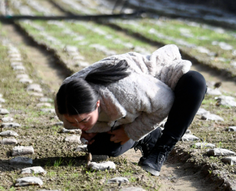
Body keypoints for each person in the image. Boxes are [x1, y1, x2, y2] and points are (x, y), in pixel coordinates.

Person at [55, 44, 206, 176]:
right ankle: (150, 136)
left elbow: (166, 101)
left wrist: (131, 132)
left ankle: (161, 149)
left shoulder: (127, 90)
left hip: (159, 86)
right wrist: (88, 128)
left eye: (84, 120)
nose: (79, 126)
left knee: (195, 82)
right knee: (101, 147)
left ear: (98, 104)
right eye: (73, 122)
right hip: (133, 101)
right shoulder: (65, 98)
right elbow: (76, 118)